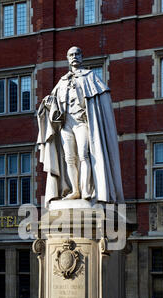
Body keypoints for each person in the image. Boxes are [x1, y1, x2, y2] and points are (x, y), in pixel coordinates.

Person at [37, 46, 124, 206]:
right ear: (68, 59)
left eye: (77, 54)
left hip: (82, 122)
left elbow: (102, 101)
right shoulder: (62, 82)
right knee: (69, 158)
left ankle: (86, 190)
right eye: (71, 54)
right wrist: (48, 104)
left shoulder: (90, 77)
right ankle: (74, 190)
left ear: (82, 57)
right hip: (66, 125)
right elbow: (50, 105)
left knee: (84, 155)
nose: (74, 57)